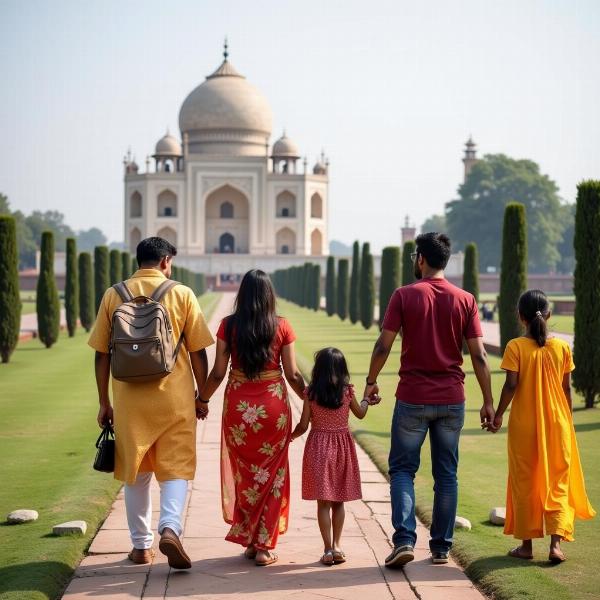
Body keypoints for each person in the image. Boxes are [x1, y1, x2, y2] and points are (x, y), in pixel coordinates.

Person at [363, 232, 495, 568]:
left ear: (420, 258)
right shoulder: (465, 299)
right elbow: (479, 356)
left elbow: (383, 345)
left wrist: (371, 381)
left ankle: (405, 540)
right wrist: (489, 400)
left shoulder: (405, 295)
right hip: (452, 398)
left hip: (413, 397)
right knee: (446, 474)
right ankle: (440, 549)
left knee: (404, 470)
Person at [89, 237, 214, 569]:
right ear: (165, 261)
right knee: (176, 468)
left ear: (138, 261)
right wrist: (202, 396)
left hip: (130, 400)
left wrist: (104, 402)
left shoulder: (114, 294)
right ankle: (170, 527)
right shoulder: (181, 293)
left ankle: (141, 547)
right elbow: (199, 351)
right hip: (174, 399)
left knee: (136, 472)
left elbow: (102, 354)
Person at [198, 269, 306, 566]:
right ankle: (263, 545)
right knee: (272, 475)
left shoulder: (228, 326)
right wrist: (311, 401)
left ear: (241, 294)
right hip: (273, 408)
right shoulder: (281, 326)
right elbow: (294, 374)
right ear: (269, 295)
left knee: (244, 474)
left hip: (238, 408)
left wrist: (202, 399)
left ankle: (251, 538)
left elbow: (218, 372)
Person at [492, 289, 595, 563]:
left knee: (525, 481)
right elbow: (566, 390)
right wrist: (568, 422)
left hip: (524, 425)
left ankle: (526, 547)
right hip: (557, 424)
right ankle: (555, 546)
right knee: (557, 482)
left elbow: (511, 386)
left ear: (520, 316)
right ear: (548, 314)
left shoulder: (515, 346)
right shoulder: (561, 347)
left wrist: (498, 415)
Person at [291, 347, 376, 565]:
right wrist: (367, 399)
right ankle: (338, 546)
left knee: (323, 504)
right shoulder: (347, 392)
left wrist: (289, 437)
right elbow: (361, 413)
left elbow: (302, 425)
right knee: (339, 502)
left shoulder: (311, 393)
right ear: (342, 369)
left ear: (318, 369)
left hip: (318, 448)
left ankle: (327, 549)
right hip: (342, 448)